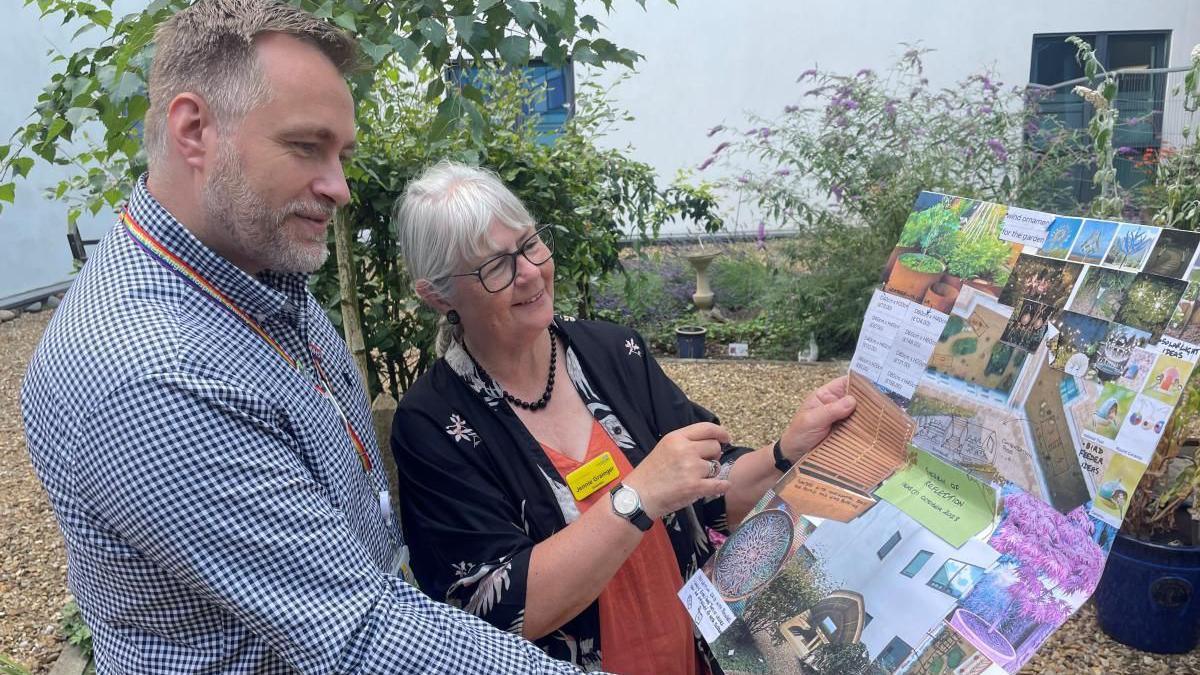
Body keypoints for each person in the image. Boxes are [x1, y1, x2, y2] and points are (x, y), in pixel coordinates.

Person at [21, 2, 587, 672]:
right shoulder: (153, 374)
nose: (341, 188)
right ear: (194, 129)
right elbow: (361, 635)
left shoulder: (248, 268)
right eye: (305, 146)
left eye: (341, 153)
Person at [390, 162, 858, 672]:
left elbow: (709, 491)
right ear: (437, 294)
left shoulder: (614, 352)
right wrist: (639, 496)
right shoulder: (432, 424)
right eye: (495, 267)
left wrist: (785, 453)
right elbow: (495, 612)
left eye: (529, 245)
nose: (528, 273)